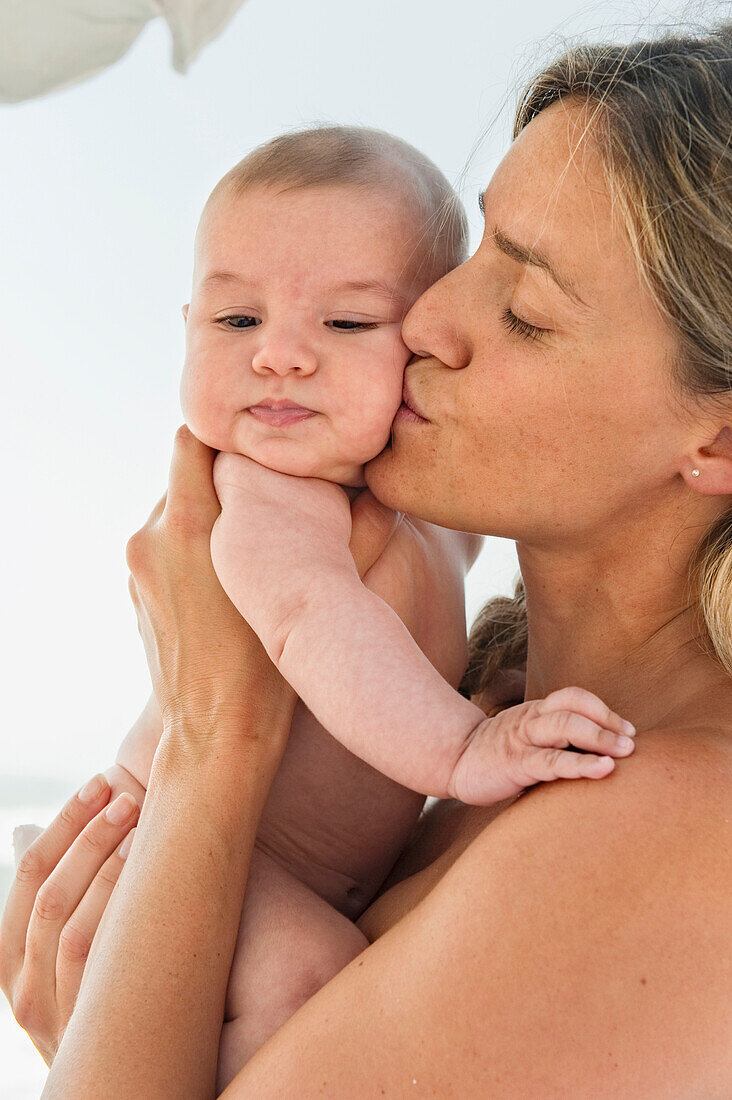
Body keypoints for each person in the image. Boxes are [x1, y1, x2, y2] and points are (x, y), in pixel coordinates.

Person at [2, 21, 731, 1097]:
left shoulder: (663, 826)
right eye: (474, 249)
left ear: (714, 439)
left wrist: (215, 737)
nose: (425, 315)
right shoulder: (493, 704)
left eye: (524, 311)